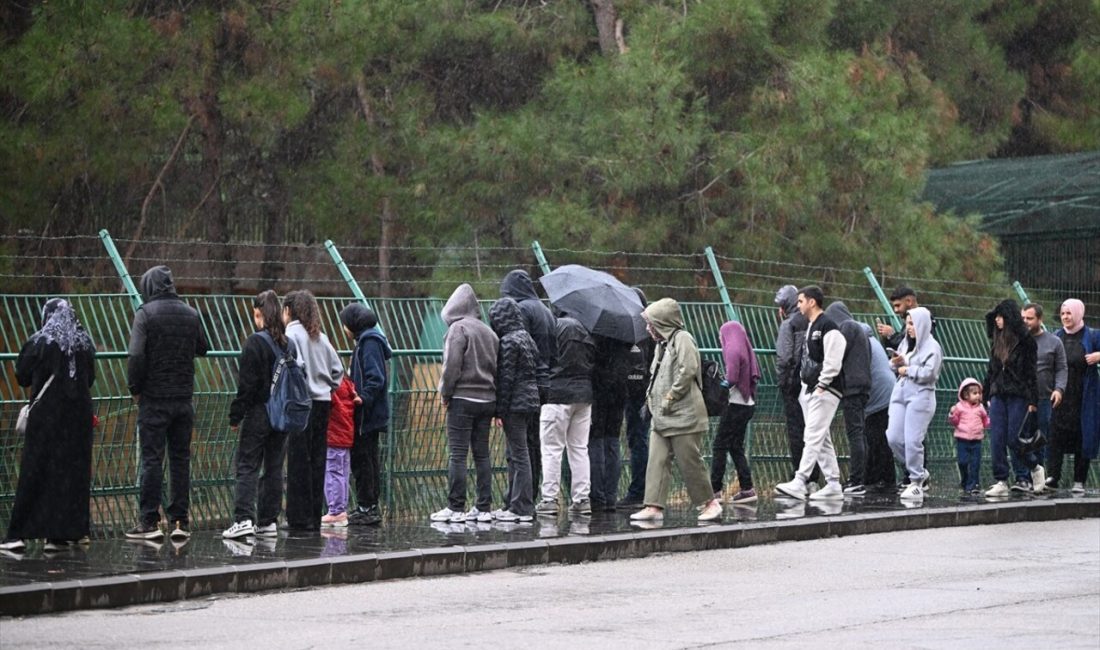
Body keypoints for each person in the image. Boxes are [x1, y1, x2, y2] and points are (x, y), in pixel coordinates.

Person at [0, 299, 96, 554]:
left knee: (35, 472)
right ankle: (59, 535)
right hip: (78, 419)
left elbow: (21, 374)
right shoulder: (84, 342)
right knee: (70, 475)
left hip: (47, 419)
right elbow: (91, 378)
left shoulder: (42, 340)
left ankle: (17, 535)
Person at [125, 266, 209, 541]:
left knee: (152, 459)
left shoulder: (145, 315)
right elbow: (203, 347)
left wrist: (136, 389)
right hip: (183, 399)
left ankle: (149, 521)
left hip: (154, 399)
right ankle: (180, 520)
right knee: (180, 460)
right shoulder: (191, 314)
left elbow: (136, 356)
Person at [629, 298, 722, 522]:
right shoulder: (662, 346)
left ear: (663, 322)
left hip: (685, 415)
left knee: (689, 461)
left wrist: (671, 396)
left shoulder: (683, 339)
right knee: (657, 461)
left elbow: (688, 368)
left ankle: (710, 503)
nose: (648, 328)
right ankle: (653, 506)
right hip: (662, 417)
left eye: (652, 323)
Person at [223, 290, 292, 540]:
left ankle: (243, 519)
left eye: (255, 314)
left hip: (258, 413)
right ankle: (268, 521)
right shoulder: (287, 344)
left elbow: (247, 386)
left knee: (247, 466)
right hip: (282, 415)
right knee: (273, 468)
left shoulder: (254, 342)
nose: (254, 319)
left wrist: (235, 416)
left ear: (261, 313)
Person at [431, 284, 499, 523]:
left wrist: (445, 393)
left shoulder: (458, 329)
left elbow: (451, 366)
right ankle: (483, 508)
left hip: (462, 399)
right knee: (482, 454)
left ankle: (455, 508)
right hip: (487, 400)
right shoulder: (489, 333)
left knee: (458, 454)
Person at [774, 286, 847, 501]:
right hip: (813, 388)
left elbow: (835, 354)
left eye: (800, 301)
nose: (797, 306)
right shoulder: (811, 326)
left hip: (825, 389)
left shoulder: (827, 326)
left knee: (812, 434)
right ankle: (833, 483)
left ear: (812, 302)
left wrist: (823, 384)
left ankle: (800, 479)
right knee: (822, 437)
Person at [283, 290, 344, 531]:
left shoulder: (291, 334)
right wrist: (327, 385)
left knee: (298, 461)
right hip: (323, 402)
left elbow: (293, 366)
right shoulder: (322, 337)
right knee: (318, 459)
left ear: (290, 310)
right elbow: (338, 370)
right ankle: (314, 514)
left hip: (301, 402)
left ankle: (298, 518)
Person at [500, 270, 556, 495]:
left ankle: (517, 496)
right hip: (546, 383)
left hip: (526, 384)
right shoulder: (546, 310)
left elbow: (519, 348)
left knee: (518, 446)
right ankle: (530, 492)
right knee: (534, 443)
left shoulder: (521, 310)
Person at [982, 299, 1046, 497]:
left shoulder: (1026, 342)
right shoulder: (996, 342)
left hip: (1019, 395)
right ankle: (1001, 479)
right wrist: (986, 394)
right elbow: (991, 371)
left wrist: (1033, 401)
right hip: (998, 394)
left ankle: (1033, 467)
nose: (998, 321)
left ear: (1009, 318)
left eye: (1001, 317)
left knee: (1013, 438)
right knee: (997, 438)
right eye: (996, 317)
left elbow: (1030, 373)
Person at [535, 308, 595, 516]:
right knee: (579, 448)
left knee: (552, 449)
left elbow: (544, 358)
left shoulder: (554, 328)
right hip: (584, 395)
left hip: (557, 395)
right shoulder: (587, 331)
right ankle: (581, 499)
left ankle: (550, 499)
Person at [488, 297, 539, 522]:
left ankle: (521, 507)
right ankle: (517, 503)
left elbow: (506, 378)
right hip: (531, 401)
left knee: (518, 455)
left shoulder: (508, 341)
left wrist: (499, 410)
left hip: (515, 405)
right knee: (523, 452)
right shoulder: (527, 338)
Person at [340, 303, 392, 526]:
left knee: (363, 460)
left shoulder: (368, 343)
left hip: (366, 413)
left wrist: (363, 397)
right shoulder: (368, 341)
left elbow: (375, 377)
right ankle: (369, 505)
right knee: (369, 458)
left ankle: (367, 506)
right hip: (370, 412)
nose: (344, 329)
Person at [885, 308, 942, 502]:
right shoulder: (905, 343)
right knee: (893, 437)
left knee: (913, 440)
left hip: (921, 396)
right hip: (901, 393)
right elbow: (894, 366)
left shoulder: (932, 348)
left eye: (913, 324)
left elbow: (930, 373)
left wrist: (907, 368)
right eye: (908, 324)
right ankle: (918, 470)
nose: (909, 328)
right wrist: (896, 362)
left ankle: (916, 481)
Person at [1048, 299, 1100, 492]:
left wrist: (1098, 356)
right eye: (1062, 313)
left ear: (1078, 314)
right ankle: (1052, 477)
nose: (1065, 317)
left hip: (1084, 395)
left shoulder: (1092, 336)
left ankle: (1079, 480)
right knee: (1055, 436)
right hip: (1060, 394)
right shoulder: (1057, 336)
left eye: (1069, 313)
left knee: (1083, 435)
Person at [824, 302, 872, 496]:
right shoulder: (858, 329)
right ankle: (861, 477)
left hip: (852, 388)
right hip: (862, 386)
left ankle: (856, 479)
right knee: (859, 432)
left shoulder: (846, 327)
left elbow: (838, 354)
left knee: (855, 433)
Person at [773, 285, 819, 486]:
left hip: (792, 385)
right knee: (813, 430)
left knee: (795, 431)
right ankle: (814, 476)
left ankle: (800, 476)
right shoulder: (811, 321)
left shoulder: (788, 325)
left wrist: (782, 381)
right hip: (811, 382)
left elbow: (784, 357)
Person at [710, 321, 761, 504]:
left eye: (721, 334)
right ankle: (747, 488)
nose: (720, 338)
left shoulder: (732, 350)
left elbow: (731, 378)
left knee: (719, 446)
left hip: (735, 404)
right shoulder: (746, 348)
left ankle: (715, 490)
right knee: (735, 446)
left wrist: (720, 386)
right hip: (748, 404)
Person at [618, 287, 654, 510]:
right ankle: (643, 489)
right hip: (646, 390)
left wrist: (631, 384)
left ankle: (638, 491)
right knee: (640, 439)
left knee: (638, 439)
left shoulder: (636, 328)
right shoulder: (650, 327)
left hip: (636, 393)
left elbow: (636, 365)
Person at [589, 334, 632, 511]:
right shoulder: (625, 333)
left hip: (598, 389)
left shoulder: (594, 333)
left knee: (596, 441)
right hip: (620, 387)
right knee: (613, 441)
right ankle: (611, 496)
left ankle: (597, 496)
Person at [1021, 303, 1067, 466]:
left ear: (1040, 319)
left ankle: (1037, 477)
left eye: (1030, 318)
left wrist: (1059, 389)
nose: (1025, 321)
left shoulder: (1054, 342)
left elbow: (1061, 368)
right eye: (1023, 318)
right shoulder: (1017, 340)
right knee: (1020, 438)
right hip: (1021, 398)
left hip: (1044, 398)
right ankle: (1023, 478)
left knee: (1040, 439)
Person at [861, 321, 897, 492]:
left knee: (877, 439)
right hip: (885, 393)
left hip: (879, 397)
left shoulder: (861, 342)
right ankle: (880, 478)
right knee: (879, 438)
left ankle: (881, 479)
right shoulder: (871, 340)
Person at [321, 375, 360, 527]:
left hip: (334, 436)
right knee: (342, 473)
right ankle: (341, 508)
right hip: (345, 435)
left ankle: (336, 511)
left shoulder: (332, 387)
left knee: (333, 473)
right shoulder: (347, 384)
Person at [949, 378, 989, 495]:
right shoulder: (959, 407)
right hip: (962, 439)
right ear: (966, 395)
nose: (977, 396)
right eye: (974, 393)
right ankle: (965, 480)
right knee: (962, 462)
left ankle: (974, 484)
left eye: (979, 393)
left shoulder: (980, 408)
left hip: (976, 440)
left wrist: (990, 422)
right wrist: (952, 414)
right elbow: (954, 422)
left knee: (975, 463)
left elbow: (985, 420)